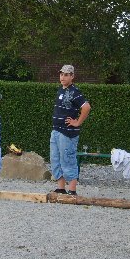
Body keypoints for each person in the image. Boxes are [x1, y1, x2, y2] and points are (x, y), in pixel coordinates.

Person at [50, 64, 91, 196]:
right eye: (61, 74)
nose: (63, 77)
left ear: (72, 76)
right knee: (55, 159)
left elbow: (86, 107)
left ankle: (72, 190)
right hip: (56, 130)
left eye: (66, 75)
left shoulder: (75, 91)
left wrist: (77, 122)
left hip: (67, 133)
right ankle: (61, 188)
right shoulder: (61, 90)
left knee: (68, 159)